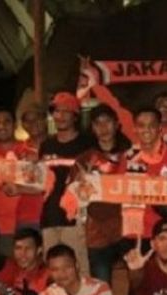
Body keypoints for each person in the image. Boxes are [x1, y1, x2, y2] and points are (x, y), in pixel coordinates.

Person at [39, 92, 95, 276]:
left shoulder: (88, 143)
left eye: (66, 111)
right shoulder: (46, 145)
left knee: (79, 272)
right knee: (54, 274)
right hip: (49, 217)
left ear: (75, 116)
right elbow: (41, 182)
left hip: (76, 220)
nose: (60, 116)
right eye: (56, 111)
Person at [80, 104, 131, 284]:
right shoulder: (85, 158)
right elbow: (74, 193)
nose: (103, 128)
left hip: (128, 230)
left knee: (137, 285)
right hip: (97, 233)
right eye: (98, 123)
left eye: (107, 122)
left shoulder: (131, 154)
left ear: (116, 124)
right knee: (101, 289)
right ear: (92, 128)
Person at [121, 107, 167, 241]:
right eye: (141, 126)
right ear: (135, 129)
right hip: (134, 233)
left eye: (152, 125)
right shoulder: (127, 157)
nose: (146, 130)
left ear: (160, 128)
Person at [0, 107, 27, 255]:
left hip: (28, 222)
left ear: (15, 125)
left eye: (6, 122)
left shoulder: (27, 149)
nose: (2, 126)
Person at [15, 103, 48, 231]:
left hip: (56, 216)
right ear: (23, 125)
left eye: (36, 118)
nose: (32, 123)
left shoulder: (58, 146)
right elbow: (8, 186)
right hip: (27, 217)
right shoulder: (17, 150)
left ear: (45, 119)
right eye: (27, 120)